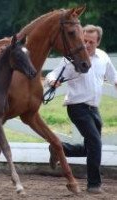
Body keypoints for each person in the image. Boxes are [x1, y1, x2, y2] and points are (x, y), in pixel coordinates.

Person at [45, 24, 117, 194]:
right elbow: (52, 74)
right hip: (76, 107)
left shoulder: (103, 57)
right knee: (95, 142)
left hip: (94, 108)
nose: (86, 44)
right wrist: (52, 82)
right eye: (84, 40)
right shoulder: (72, 58)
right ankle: (94, 184)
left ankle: (58, 148)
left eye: (91, 41)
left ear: (98, 42)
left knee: (89, 148)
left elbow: (114, 77)